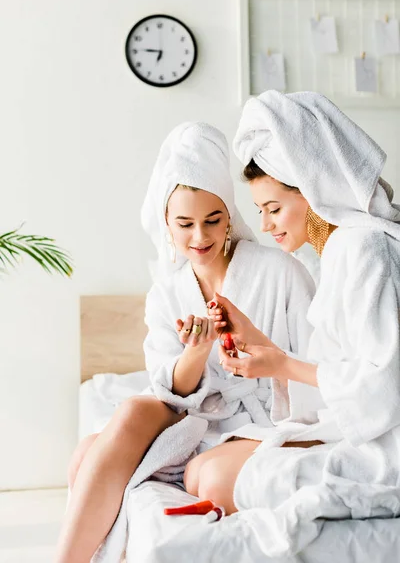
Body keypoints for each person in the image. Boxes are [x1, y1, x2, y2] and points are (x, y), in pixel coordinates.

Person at [55, 121, 315, 563]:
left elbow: (314, 369)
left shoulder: (280, 272)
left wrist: (254, 352)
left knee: (182, 472)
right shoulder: (166, 292)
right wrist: (196, 352)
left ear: (229, 215)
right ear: (166, 224)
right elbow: (168, 391)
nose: (201, 237)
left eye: (213, 220)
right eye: (185, 224)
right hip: (190, 417)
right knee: (102, 437)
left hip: (259, 421)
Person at [188, 90, 400, 557]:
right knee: (197, 471)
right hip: (358, 427)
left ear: (313, 190)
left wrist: (281, 364)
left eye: (273, 208)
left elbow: (381, 386)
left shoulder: (366, 250)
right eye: (260, 210)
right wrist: (254, 338)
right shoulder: (337, 252)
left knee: (216, 477)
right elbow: (332, 377)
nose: (264, 225)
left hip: (387, 444)